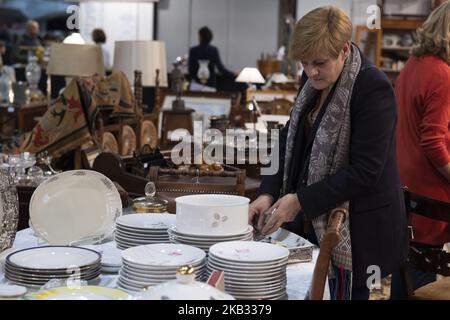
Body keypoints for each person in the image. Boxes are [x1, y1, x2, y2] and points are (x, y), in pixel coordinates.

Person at [248, 6, 408, 300]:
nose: (310, 71)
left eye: (319, 63)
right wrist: (267, 192)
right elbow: (286, 138)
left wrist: (300, 201)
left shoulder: (373, 88)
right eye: (304, 63)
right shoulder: (312, 80)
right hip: (313, 223)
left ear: (344, 50)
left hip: (358, 231)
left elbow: (365, 171)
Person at [391, 1, 450, 299]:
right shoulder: (443, 73)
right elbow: (433, 143)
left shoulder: (414, 65)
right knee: (422, 271)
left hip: (406, 186)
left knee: (408, 265)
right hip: (430, 191)